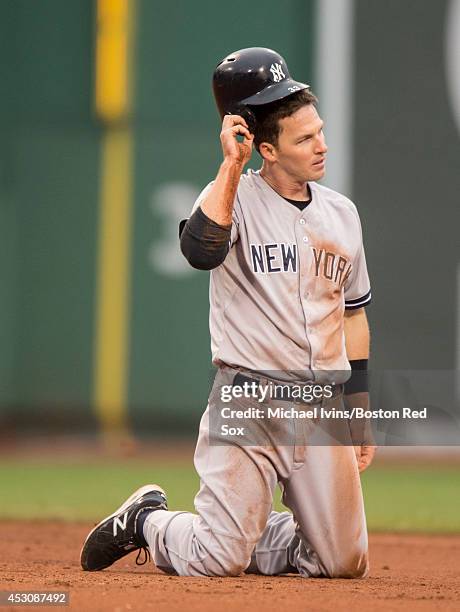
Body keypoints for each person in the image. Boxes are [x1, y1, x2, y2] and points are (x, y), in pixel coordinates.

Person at [81, 47, 375, 578]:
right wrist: (232, 166)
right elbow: (200, 251)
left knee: (342, 562)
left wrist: (358, 402)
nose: (321, 146)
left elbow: (354, 315)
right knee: (215, 562)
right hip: (249, 398)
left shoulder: (342, 215)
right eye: (305, 139)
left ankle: (245, 527)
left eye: (320, 131)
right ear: (266, 146)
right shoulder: (230, 197)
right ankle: (147, 520)